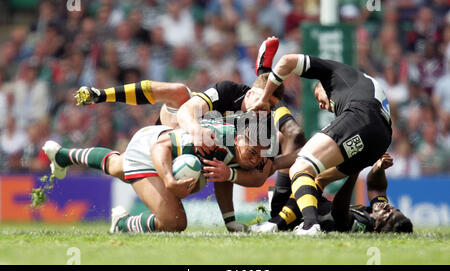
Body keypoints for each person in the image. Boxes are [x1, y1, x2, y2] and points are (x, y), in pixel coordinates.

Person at [73, 37, 306, 231]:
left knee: (118, 167)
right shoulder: (228, 90)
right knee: (180, 92)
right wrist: (195, 130)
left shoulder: (262, 125)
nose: (266, 109)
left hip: (194, 150)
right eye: (265, 102)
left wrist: (229, 186)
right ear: (253, 91)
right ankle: (101, 95)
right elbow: (187, 110)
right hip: (177, 127)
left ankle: (65, 156)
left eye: (271, 106)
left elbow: (259, 173)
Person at [251, 42, 393, 235]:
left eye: (318, 98)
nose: (321, 106)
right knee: (311, 174)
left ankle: (311, 225)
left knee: (300, 166)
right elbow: (319, 181)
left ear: (322, 85)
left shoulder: (332, 72)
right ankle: (281, 223)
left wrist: (264, 96)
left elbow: (286, 61)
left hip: (361, 117)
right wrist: (277, 222)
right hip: (379, 138)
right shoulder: (356, 86)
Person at [42, 119, 271, 234]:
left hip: (161, 147)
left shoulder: (239, 148)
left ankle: (62, 155)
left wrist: (230, 222)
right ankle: (122, 224)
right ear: (240, 138)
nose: (254, 161)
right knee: (175, 222)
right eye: (252, 153)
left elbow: (224, 179)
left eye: (259, 158)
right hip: (152, 149)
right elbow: (160, 147)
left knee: (115, 165)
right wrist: (170, 180)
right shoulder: (214, 139)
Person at [249, 153, 413, 234]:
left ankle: (277, 220)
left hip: (293, 212)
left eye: (388, 214)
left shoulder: (364, 224)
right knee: (299, 154)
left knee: (304, 161)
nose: (387, 207)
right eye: (394, 209)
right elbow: (376, 187)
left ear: (378, 226)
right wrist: (378, 167)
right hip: (304, 196)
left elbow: (339, 213)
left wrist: (353, 172)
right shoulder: (377, 212)